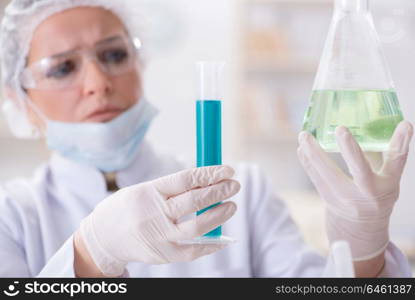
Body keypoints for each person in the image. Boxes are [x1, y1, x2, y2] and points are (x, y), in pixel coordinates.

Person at [0, 0, 412, 278]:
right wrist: (90, 254)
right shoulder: (12, 217)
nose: (98, 83)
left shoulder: (241, 191)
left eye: (113, 55)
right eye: (61, 68)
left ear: (140, 63)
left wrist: (364, 251)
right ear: (18, 97)